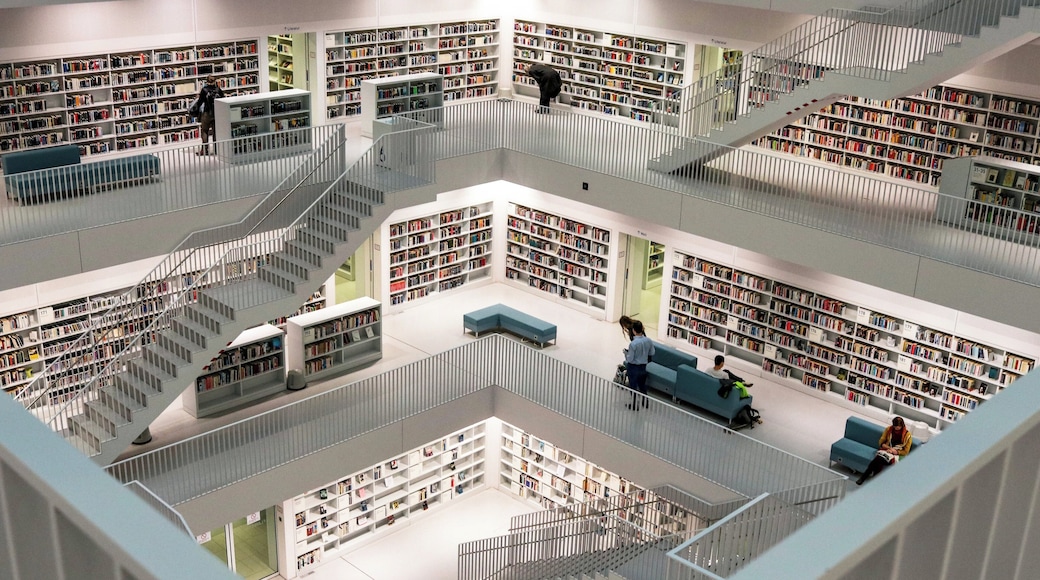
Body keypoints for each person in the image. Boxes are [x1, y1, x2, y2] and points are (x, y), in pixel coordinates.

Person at [857, 416, 912, 485]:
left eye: (898, 427)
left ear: (902, 425)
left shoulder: (907, 435)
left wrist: (895, 451)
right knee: (879, 460)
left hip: (897, 454)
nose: (896, 428)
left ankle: (863, 477)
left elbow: (906, 451)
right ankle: (872, 481)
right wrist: (888, 448)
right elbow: (881, 442)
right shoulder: (889, 429)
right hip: (886, 450)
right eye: (895, 427)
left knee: (878, 460)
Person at [624, 320, 654, 411]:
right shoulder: (648, 340)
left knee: (633, 386)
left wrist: (626, 353)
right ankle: (645, 403)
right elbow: (652, 352)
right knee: (642, 386)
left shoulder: (633, 344)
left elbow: (630, 359)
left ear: (633, 330)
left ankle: (634, 405)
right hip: (643, 367)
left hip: (633, 368)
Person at [191, 76, 225, 156]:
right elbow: (223, 99)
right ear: (215, 81)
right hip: (216, 113)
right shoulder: (218, 89)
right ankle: (217, 150)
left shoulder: (204, 90)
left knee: (205, 131)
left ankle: (205, 150)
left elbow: (200, 102)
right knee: (215, 133)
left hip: (207, 113)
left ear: (207, 81)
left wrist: (196, 110)